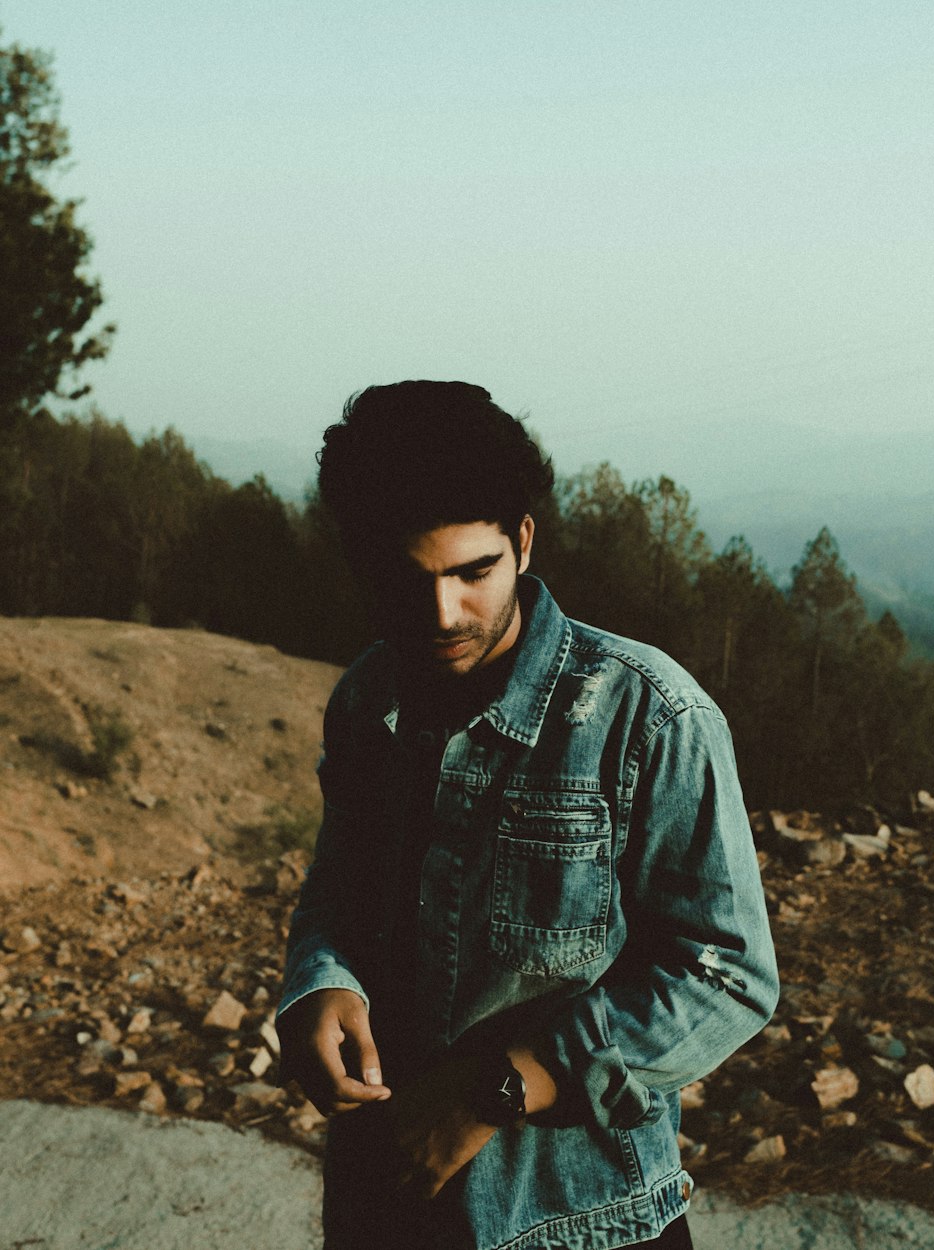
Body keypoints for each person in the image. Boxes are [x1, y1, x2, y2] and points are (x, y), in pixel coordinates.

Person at [277, 380, 779, 1250]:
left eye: (475, 573)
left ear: (524, 541)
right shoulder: (367, 699)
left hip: (584, 1220)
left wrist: (496, 1090)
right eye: (407, 580)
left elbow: (728, 974)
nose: (443, 614)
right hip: (384, 1198)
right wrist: (318, 981)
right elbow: (339, 888)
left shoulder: (647, 715)